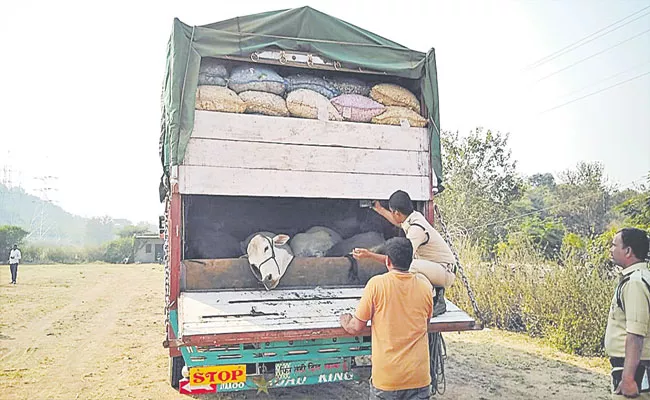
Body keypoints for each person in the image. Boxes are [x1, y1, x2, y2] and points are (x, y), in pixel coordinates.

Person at [340, 237, 433, 399]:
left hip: (388, 380)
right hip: (419, 378)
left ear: (388, 261)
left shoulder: (377, 285)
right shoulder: (425, 288)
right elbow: (425, 323)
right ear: (411, 260)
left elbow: (356, 327)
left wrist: (345, 320)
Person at [368, 190, 456, 289]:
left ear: (397, 213)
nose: (392, 215)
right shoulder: (414, 217)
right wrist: (379, 209)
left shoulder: (416, 230)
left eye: (392, 212)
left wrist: (369, 255)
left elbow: (400, 261)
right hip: (437, 267)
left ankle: (431, 297)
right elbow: (399, 222)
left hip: (445, 271)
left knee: (409, 266)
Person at [605, 228, 650, 399]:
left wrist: (629, 378)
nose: (611, 249)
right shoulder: (643, 277)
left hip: (636, 371)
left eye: (614, 245)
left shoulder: (635, 283)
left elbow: (636, 334)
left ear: (628, 251)